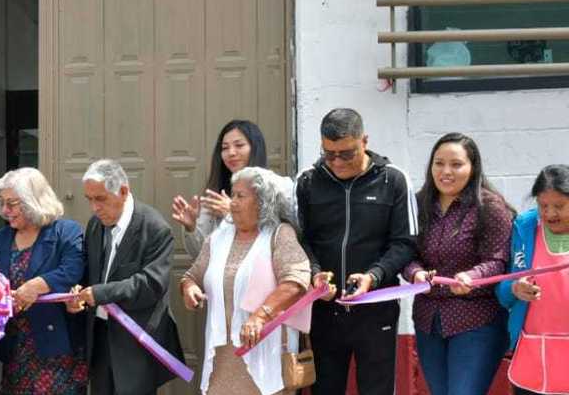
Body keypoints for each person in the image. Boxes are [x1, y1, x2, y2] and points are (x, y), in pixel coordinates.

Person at [295, 108, 418, 395]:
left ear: (364, 141)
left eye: (346, 154)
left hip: (376, 311)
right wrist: (314, 274)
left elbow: (405, 244)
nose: (337, 162)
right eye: (329, 153)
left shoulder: (394, 180)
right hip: (324, 312)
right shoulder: (308, 182)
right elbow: (300, 241)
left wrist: (373, 276)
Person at [180, 167, 311, 395]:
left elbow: (295, 281)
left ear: (262, 202)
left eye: (241, 196)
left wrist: (260, 317)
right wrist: (189, 288)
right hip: (223, 358)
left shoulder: (279, 235)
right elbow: (192, 275)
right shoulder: (219, 237)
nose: (232, 202)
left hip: (264, 354)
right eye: (233, 195)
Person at [403, 133, 512, 395]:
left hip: (476, 321)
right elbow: (405, 253)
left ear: (473, 167)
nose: (446, 172)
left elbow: (498, 258)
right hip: (428, 320)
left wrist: (473, 276)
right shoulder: (417, 204)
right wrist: (415, 273)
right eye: (439, 163)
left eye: (456, 164)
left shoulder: (489, 206)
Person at [65, 159, 185, 395]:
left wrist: (99, 293)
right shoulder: (95, 225)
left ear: (123, 191)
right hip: (99, 336)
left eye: (100, 199)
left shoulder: (155, 228)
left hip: (135, 343)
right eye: (89, 199)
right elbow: (90, 273)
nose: (94, 207)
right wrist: (77, 293)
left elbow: (151, 285)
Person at [0, 168, 88, 394]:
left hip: (56, 348)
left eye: (12, 203)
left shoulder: (66, 232)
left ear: (34, 200)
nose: (5, 210)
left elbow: (72, 270)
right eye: (1, 203)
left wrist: (35, 286)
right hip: (14, 348)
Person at [498, 164, 569, 395]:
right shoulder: (525, 228)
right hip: (533, 351)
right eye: (543, 205)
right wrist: (515, 288)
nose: (549, 214)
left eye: (559, 206)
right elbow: (503, 292)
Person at [172, 120, 269, 258]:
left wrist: (232, 214)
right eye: (224, 148)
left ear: (255, 148)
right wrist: (191, 228)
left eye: (239, 145)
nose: (231, 152)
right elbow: (201, 255)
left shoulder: (273, 191)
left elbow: (269, 245)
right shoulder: (215, 194)